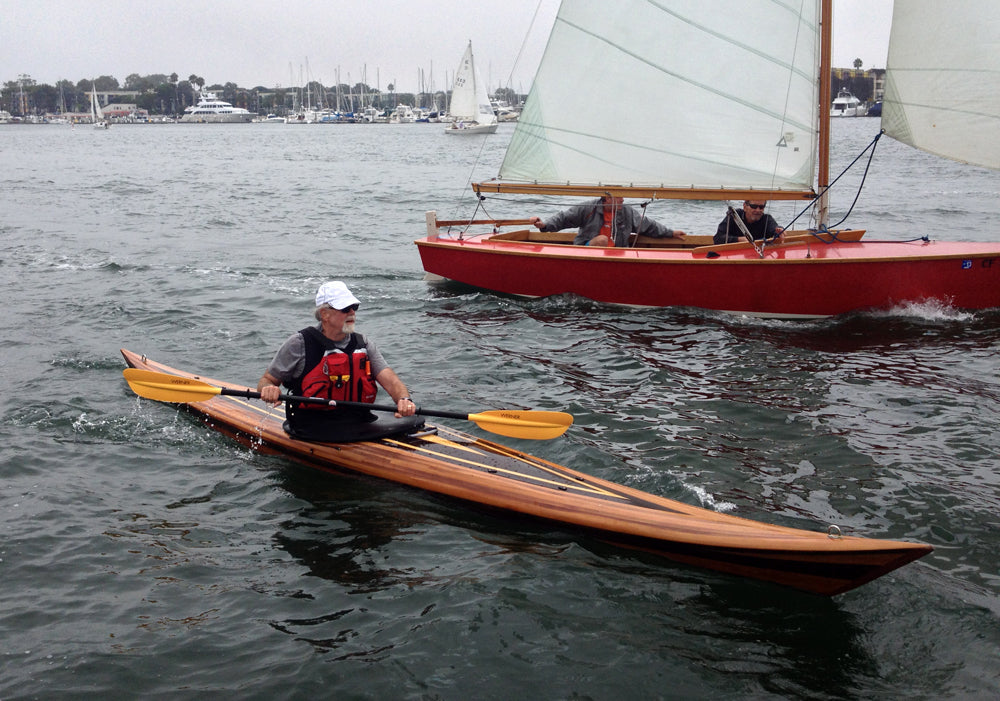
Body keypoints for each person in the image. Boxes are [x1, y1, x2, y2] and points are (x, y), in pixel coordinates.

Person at [258, 281, 417, 440]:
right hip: (311, 426)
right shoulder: (299, 343)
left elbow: (391, 381)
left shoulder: (363, 344)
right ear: (324, 314)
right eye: (345, 309)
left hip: (359, 422)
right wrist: (269, 389)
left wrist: (404, 400)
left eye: (354, 307)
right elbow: (267, 380)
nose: (352, 313)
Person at [529, 195, 686, 247]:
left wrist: (671, 232)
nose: (623, 199)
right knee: (603, 239)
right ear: (608, 198)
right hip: (585, 254)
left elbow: (648, 226)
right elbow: (564, 218)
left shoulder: (626, 211)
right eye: (619, 197)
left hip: (616, 256)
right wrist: (544, 225)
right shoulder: (588, 208)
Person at [714, 200, 785, 245]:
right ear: (745, 207)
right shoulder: (734, 216)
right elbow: (718, 238)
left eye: (761, 207)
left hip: (759, 257)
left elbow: (775, 229)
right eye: (754, 206)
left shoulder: (766, 219)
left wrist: (780, 231)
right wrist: (739, 240)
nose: (758, 210)